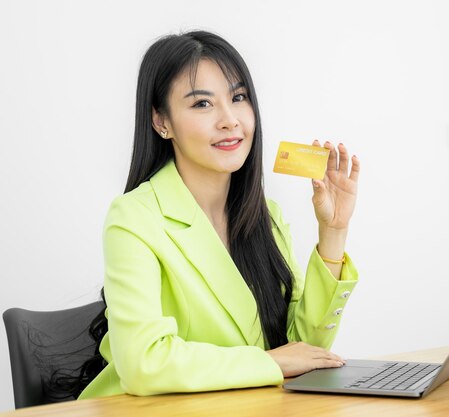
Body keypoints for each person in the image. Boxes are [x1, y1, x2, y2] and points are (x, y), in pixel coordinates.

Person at [77, 30, 360, 399]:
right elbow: (144, 364)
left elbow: (302, 350)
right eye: (202, 104)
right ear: (162, 122)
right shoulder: (134, 218)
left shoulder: (266, 216)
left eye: (238, 97)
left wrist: (333, 231)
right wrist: (269, 363)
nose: (230, 120)